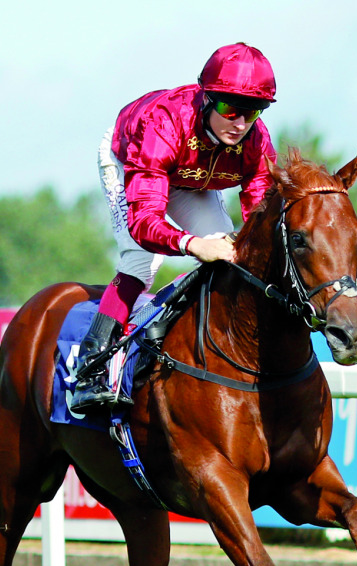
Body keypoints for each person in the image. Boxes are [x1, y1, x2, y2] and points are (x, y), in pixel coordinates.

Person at [69, 42, 279, 415]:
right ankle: (92, 364)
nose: (240, 124)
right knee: (141, 260)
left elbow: (260, 218)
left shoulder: (256, 140)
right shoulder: (163, 123)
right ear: (207, 98)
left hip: (191, 177)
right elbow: (144, 223)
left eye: (252, 112)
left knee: (229, 254)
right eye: (230, 109)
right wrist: (191, 243)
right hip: (133, 160)